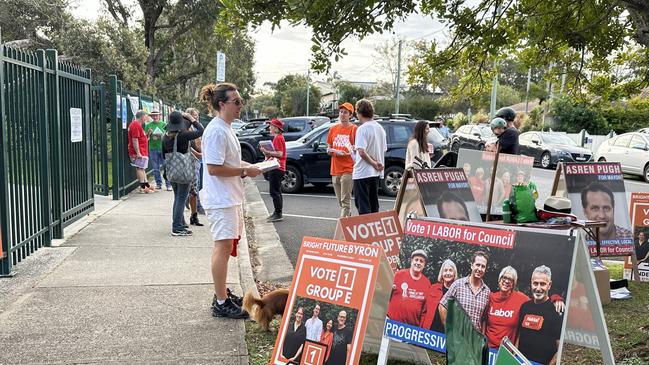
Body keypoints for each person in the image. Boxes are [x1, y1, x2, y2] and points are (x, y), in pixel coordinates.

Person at [199, 83, 263, 319]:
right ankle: (220, 301)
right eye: (236, 101)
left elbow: (230, 162)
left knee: (226, 248)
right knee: (222, 247)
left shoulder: (225, 128)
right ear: (222, 104)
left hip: (228, 197)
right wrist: (244, 171)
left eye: (240, 100)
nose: (240, 105)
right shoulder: (216, 130)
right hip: (221, 199)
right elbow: (215, 168)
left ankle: (222, 292)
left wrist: (252, 167)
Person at [485, 266, 566, 350]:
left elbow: (539, 300)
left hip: (505, 351)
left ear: (514, 283)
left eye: (511, 279)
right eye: (504, 277)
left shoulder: (521, 300)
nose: (506, 281)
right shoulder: (490, 297)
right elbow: (483, 319)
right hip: (487, 348)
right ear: (499, 279)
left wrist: (556, 298)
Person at [162, 111, 204, 236]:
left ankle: (181, 224)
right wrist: (192, 119)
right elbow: (201, 131)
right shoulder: (183, 136)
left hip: (172, 172)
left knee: (178, 198)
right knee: (181, 198)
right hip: (183, 172)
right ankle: (177, 228)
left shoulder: (165, 137)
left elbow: (163, 154)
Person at [517, 266, 562, 365]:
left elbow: (560, 349)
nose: (538, 288)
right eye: (535, 283)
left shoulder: (557, 311)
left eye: (542, 284)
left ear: (549, 285)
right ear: (531, 283)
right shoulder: (525, 307)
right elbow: (519, 335)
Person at [439, 251, 491, 332]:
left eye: (483, 266)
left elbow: (484, 318)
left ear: (485, 269)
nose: (479, 269)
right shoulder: (458, 284)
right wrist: (449, 329)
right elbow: (442, 305)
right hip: (457, 337)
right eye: (477, 265)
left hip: (474, 340)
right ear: (472, 265)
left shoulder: (487, 292)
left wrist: (482, 337)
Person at [352, 99, 387, 214]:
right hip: (375, 174)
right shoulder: (380, 128)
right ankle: (374, 231)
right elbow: (383, 149)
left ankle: (366, 230)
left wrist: (373, 163)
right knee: (373, 205)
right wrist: (377, 164)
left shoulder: (362, 129)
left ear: (359, 112)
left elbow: (362, 152)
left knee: (363, 207)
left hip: (362, 173)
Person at [327, 102, 357, 217]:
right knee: (340, 201)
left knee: (345, 201)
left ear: (350, 115)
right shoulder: (333, 129)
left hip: (348, 169)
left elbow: (357, 148)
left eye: (345, 112)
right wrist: (330, 151)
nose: (342, 114)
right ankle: (348, 220)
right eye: (341, 112)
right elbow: (329, 146)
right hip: (335, 169)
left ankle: (342, 229)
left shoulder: (354, 129)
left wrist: (349, 151)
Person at [387, 250, 432, 326]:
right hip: (391, 323)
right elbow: (386, 295)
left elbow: (424, 311)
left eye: (421, 261)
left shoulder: (427, 283)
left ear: (424, 265)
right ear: (411, 261)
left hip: (411, 329)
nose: (418, 263)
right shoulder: (398, 275)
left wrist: (420, 328)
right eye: (416, 260)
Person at [260, 118, 287, 222]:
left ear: (276, 128)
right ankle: (277, 212)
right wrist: (267, 152)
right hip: (277, 167)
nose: (269, 127)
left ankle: (278, 213)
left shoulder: (278, 138)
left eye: (271, 126)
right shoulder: (278, 137)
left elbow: (280, 154)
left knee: (274, 191)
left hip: (277, 167)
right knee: (276, 191)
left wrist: (267, 152)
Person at [421, 259, 458, 332]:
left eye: (450, 270)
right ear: (442, 273)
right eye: (445, 270)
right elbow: (424, 310)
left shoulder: (458, 292)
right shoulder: (433, 288)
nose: (448, 273)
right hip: (429, 330)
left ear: (454, 274)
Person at [185, 107, 205, 225]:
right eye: (195, 116)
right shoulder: (188, 129)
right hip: (192, 161)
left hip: (198, 160)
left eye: (197, 116)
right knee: (194, 188)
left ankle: (195, 211)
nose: (197, 117)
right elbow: (192, 146)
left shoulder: (194, 128)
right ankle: (196, 207)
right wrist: (198, 153)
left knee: (198, 186)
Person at [144, 109, 172, 191]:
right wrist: (149, 133)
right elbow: (146, 138)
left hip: (163, 148)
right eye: (153, 116)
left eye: (156, 115)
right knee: (155, 168)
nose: (155, 117)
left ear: (159, 116)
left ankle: (168, 184)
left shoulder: (164, 124)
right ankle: (158, 184)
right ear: (151, 116)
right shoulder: (148, 125)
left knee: (166, 166)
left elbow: (169, 135)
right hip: (153, 148)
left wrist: (164, 135)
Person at [128, 110, 154, 193]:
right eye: (146, 116)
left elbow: (142, 139)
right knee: (140, 168)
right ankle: (143, 187)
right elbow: (134, 140)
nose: (147, 118)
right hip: (139, 152)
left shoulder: (138, 125)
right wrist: (138, 152)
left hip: (142, 151)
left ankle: (146, 185)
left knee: (142, 169)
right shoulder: (135, 125)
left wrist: (148, 134)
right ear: (142, 116)